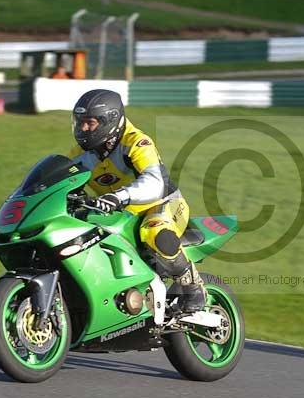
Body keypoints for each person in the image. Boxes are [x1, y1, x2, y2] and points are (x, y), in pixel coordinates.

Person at [69, 89, 206, 313]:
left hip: (161, 204)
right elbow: (67, 181)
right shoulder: (79, 154)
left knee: (154, 231)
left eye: (89, 123)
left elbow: (154, 182)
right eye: (79, 122)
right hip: (118, 213)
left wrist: (119, 196)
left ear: (109, 120)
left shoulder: (136, 142)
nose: (82, 129)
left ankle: (192, 287)